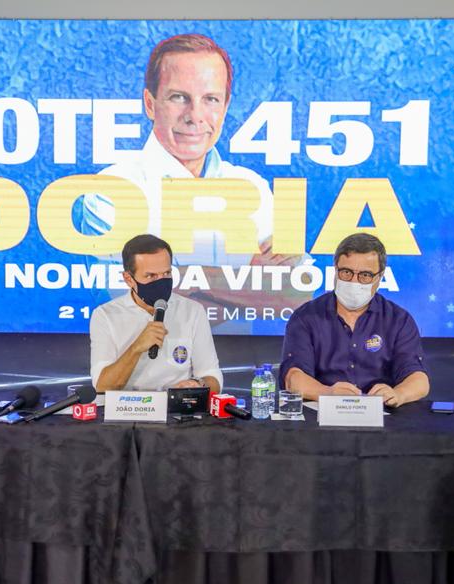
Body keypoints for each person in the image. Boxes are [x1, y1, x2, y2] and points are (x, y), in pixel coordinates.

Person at [81, 33, 307, 319]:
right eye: (179, 97)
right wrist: (248, 280)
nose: (195, 115)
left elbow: (296, 299)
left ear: (225, 107)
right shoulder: (111, 190)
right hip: (142, 361)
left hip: (240, 362)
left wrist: (177, 281)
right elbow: (132, 304)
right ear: (150, 104)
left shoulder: (253, 187)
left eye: (211, 99)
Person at [279, 233, 429, 407]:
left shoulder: (398, 320)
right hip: (321, 420)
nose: (354, 282)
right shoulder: (306, 317)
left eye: (365, 275)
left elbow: (419, 380)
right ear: (335, 270)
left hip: (383, 421)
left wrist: (398, 394)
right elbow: (293, 378)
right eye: (346, 272)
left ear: (379, 278)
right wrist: (326, 393)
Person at [90, 234, 222, 392]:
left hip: (175, 412)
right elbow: (102, 386)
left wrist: (197, 385)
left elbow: (212, 377)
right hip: (125, 410)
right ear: (128, 279)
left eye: (166, 274)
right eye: (151, 276)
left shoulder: (192, 311)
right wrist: (136, 348)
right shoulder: (105, 316)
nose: (161, 282)